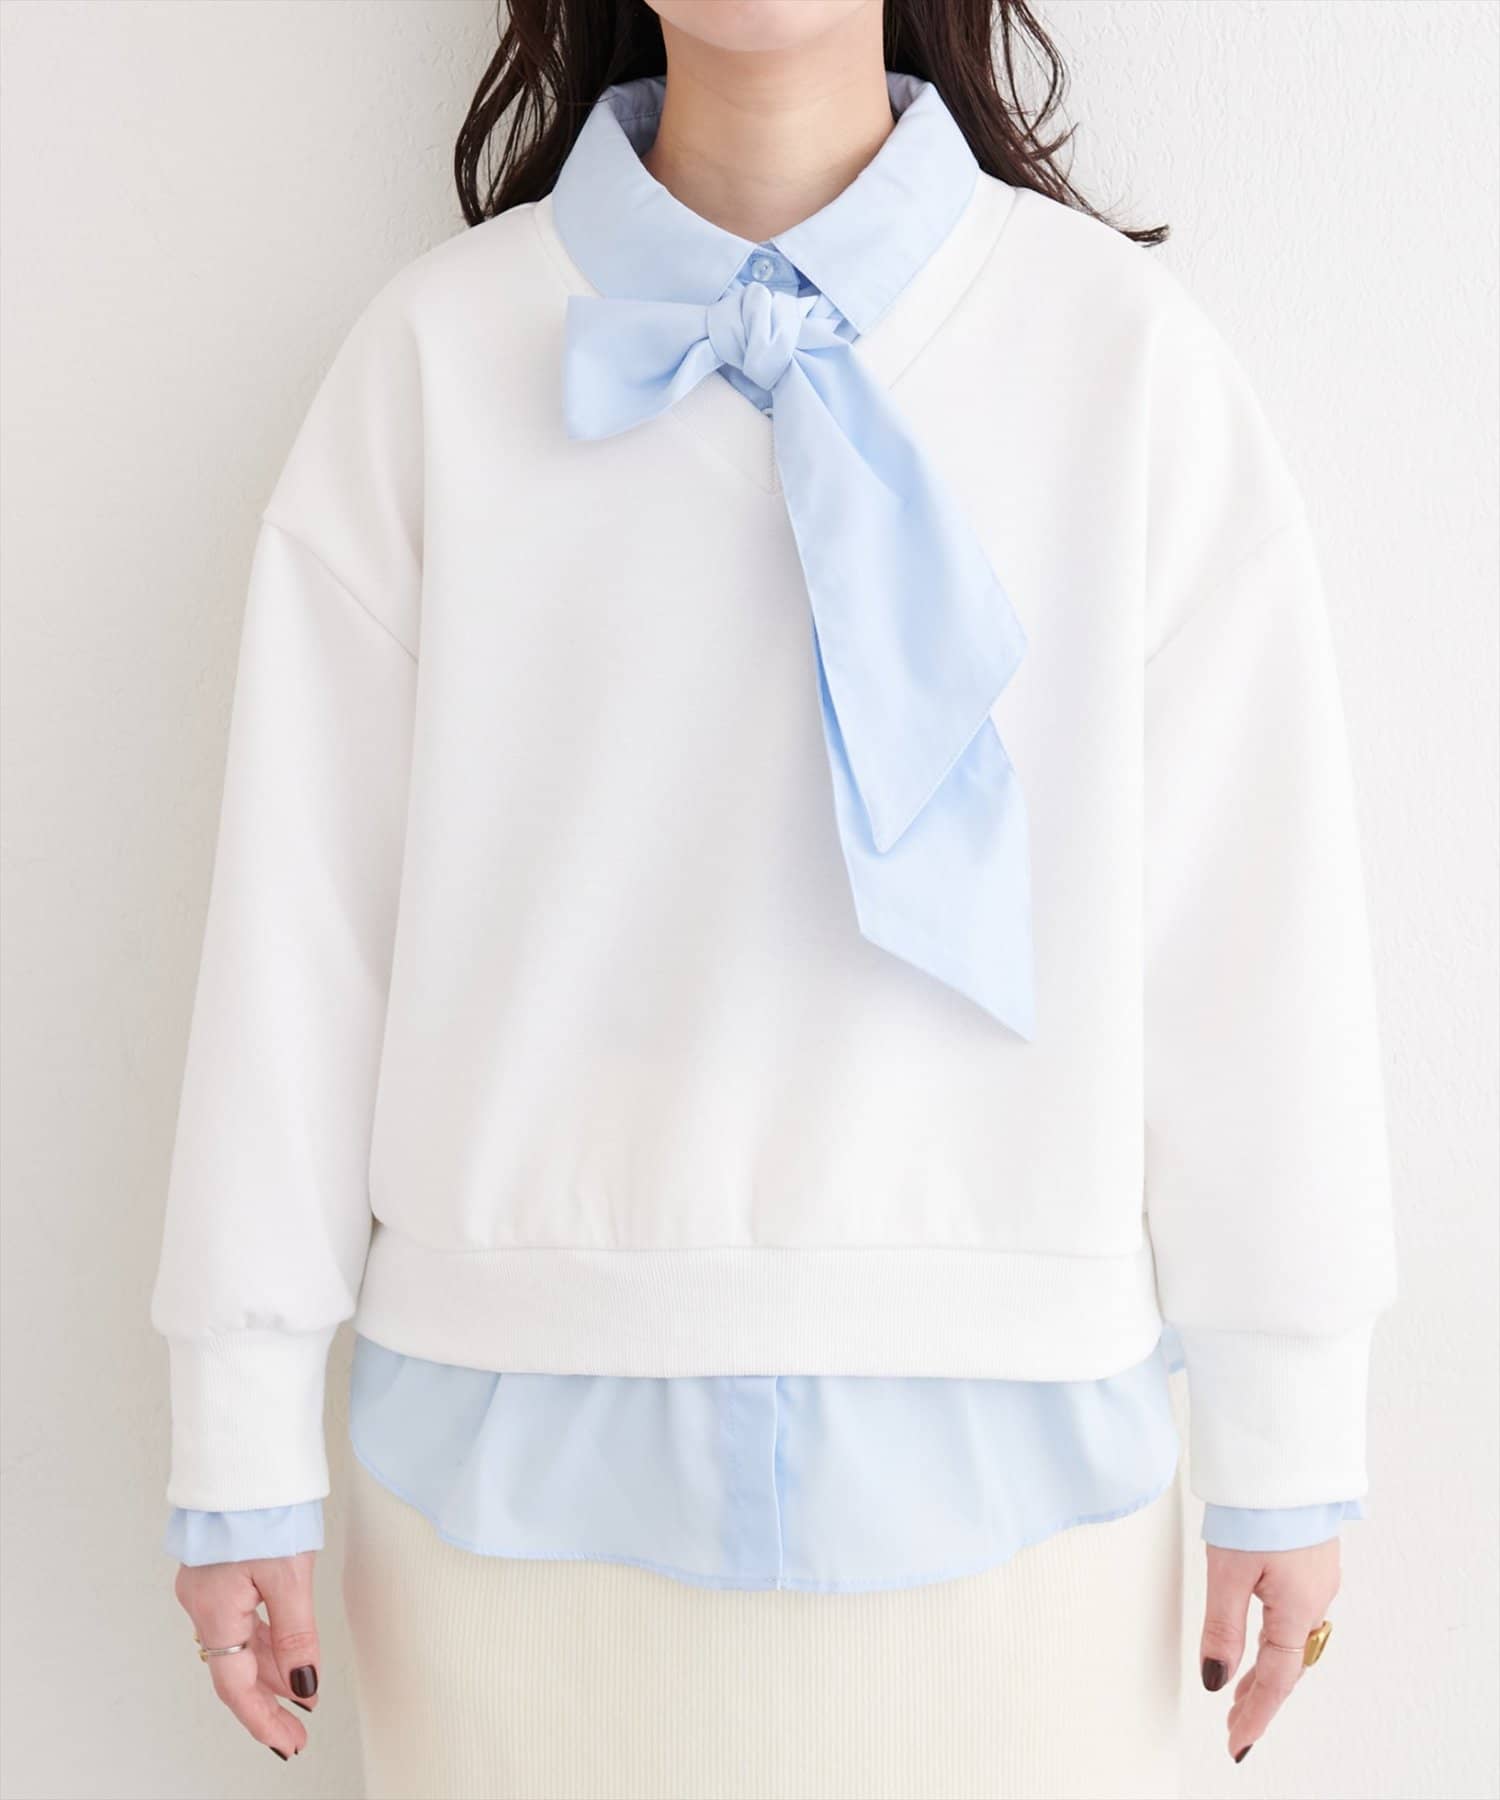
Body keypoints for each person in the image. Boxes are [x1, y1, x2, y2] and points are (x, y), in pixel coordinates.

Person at [152, 2, 1395, 1794]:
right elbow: (298, 934)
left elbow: (1248, 937)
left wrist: (1290, 1424)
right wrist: (237, 1433)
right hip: (507, 1502)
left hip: (1022, 1509)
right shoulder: (435, 360)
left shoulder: (1123, 358)